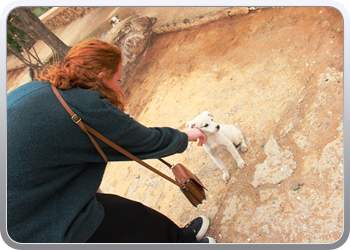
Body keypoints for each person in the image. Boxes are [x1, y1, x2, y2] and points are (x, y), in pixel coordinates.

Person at [7, 39, 216, 243]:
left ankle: (180, 239)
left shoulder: (41, 87)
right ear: (100, 76)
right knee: (131, 221)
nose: (118, 88)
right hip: (34, 226)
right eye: (118, 80)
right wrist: (186, 136)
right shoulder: (84, 105)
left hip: (27, 202)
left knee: (127, 214)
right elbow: (141, 141)